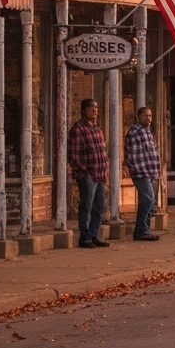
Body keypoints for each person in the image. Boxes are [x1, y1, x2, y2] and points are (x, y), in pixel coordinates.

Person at [69, 98, 110, 248]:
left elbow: (102, 152)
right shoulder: (78, 129)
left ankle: (94, 235)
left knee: (100, 206)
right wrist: (84, 171)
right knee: (86, 205)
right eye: (91, 107)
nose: (95, 110)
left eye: (96, 107)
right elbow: (73, 154)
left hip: (100, 174)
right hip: (87, 175)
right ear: (84, 110)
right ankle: (84, 237)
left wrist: (105, 170)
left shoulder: (97, 130)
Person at [124, 106, 161, 242]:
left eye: (150, 115)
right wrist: (137, 170)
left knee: (152, 203)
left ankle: (145, 229)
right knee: (148, 200)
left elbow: (152, 152)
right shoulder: (135, 131)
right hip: (141, 172)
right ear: (139, 116)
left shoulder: (148, 132)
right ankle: (141, 230)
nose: (148, 118)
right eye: (146, 115)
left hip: (152, 172)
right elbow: (133, 155)